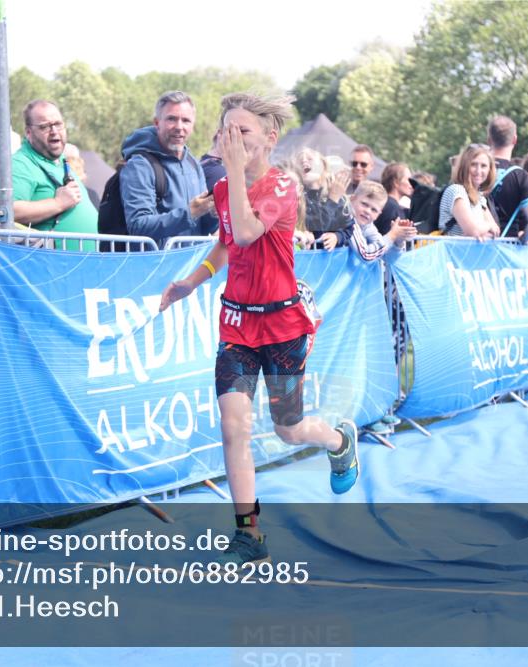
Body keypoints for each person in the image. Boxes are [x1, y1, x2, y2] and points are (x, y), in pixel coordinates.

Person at [159, 93, 360, 564]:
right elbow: (229, 244)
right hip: (236, 326)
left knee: (288, 429)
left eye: (241, 131)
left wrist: (230, 173)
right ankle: (249, 532)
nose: (230, 139)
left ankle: (338, 440)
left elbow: (249, 230)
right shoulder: (226, 191)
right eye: (225, 130)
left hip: (284, 325)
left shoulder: (282, 187)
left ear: (269, 139)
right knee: (234, 427)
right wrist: (191, 281)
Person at [119, 91, 216, 246]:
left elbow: (203, 227)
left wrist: (213, 213)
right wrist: (191, 213)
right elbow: (138, 226)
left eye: (186, 120)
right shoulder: (140, 165)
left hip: (191, 265)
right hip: (156, 266)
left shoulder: (193, 163)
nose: (179, 127)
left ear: (193, 125)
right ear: (157, 123)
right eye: (171, 119)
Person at [11, 100, 99, 247]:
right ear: (28, 132)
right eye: (45, 126)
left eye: (58, 124)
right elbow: (8, 211)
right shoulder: (21, 163)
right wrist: (58, 203)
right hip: (55, 265)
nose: (54, 131)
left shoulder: (59, 161)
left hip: (83, 264)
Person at [321, 181, 416, 260]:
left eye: (374, 210)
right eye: (364, 204)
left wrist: (398, 240)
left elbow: (388, 259)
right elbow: (365, 255)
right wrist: (391, 235)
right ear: (352, 199)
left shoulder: (368, 226)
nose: (367, 211)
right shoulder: (347, 217)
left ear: (379, 214)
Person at [485, 115, 528, 241]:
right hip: (508, 249)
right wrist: (524, 239)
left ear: (489, 140)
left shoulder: (476, 172)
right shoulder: (520, 176)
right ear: (514, 139)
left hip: (477, 248)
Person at [438, 144, 501, 239]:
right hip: (453, 252)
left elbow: (496, 231)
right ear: (464, 166)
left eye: (483, 166)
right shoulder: (456, 191)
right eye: (473, 164)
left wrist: (483, 231)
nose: (478, 170)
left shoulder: (480, 197)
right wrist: (488, 226)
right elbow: (473, 231)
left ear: (489, 170)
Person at [376, 162, 413, 235]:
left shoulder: (387, 203)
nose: (411, 184)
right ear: (396, 182)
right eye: (408, 180)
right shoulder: (392, 207)